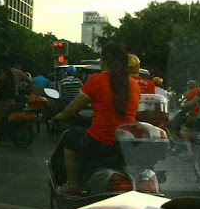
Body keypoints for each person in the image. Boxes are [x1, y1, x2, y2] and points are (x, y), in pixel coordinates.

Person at [52, 42, 141, 197]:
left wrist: (60, 116)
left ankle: (72, 185)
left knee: (70, 137)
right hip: (125, 145)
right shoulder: (133, 84)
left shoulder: (96, 79)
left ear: (104, 61)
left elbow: (74, 108)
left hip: (100, 143)